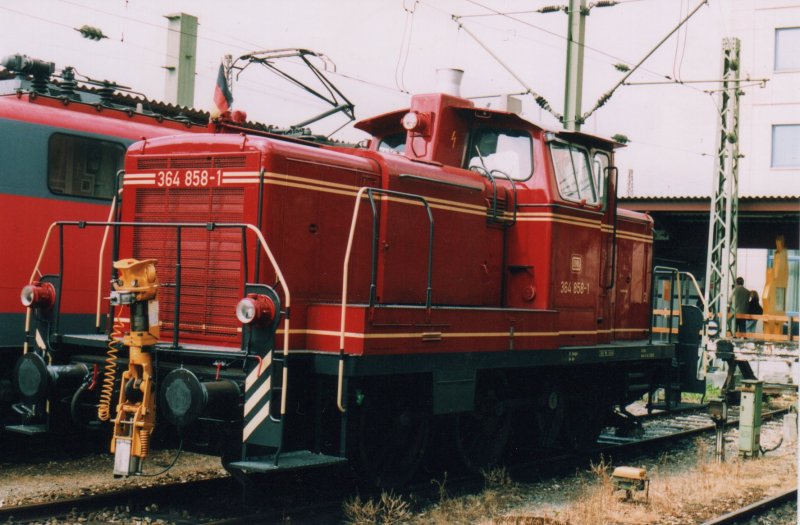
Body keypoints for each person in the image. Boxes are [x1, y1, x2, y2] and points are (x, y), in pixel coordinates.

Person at [773, 234, 788, 313]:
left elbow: (782, 267)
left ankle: (779, 313)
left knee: (780, 302)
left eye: (778, 244)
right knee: (776, 300)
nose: (777, 246)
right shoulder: (776, 253)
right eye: (776, 244)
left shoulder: (784, 253)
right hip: (775, 281)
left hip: (781, 281)